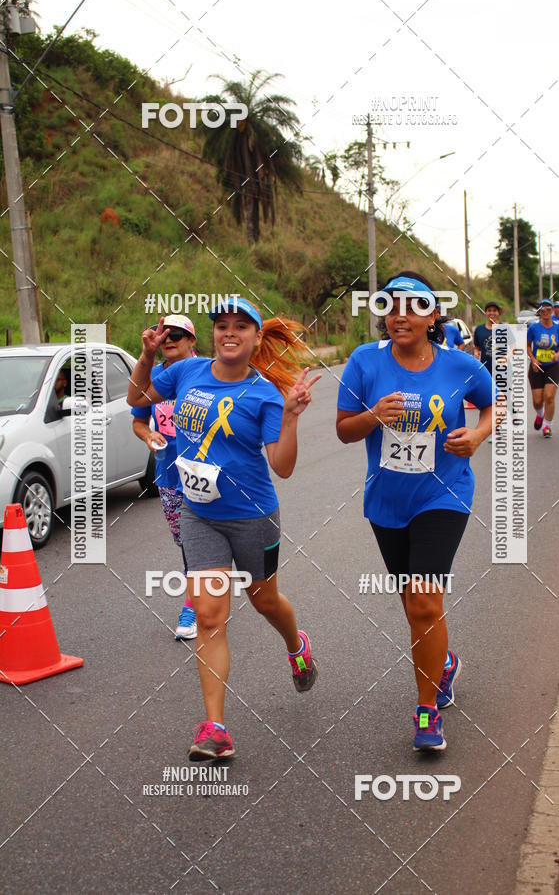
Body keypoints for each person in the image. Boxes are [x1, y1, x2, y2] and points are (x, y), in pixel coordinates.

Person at [127, 297, 320, 761]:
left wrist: (290, 417)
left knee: (264, 601)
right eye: (221, 325)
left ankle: (296, 645)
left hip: (252, 516)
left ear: (256, 338)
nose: (229, 332)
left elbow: (283, 466)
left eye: (240, 326)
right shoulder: (186, 372)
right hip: (199, 515)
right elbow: (137, 400)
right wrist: (148, 355)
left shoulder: (264, 395)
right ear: (212, 334)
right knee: (210, 616)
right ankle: (215, 728)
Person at [336, 271, 494, 752]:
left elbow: (493, 406)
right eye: (391, 306)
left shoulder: (459, 365)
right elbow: (344, 430)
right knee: (411, 603)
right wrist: (372, 416)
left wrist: (477, 435)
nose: (400, 315)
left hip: (443, 494)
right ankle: (443, 661)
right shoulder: (364, 361)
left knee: (425, 600)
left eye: (412, 306)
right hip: (387, 501)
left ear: (432, 315)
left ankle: (427, 710)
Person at [131, 314, 198, 640]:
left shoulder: (207, 372)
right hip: (168, 475)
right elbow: (138, 421)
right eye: (165, 335)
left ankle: (192, 607)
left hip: (203, 474)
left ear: (192, 340)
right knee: (184, 540)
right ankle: (210, 581)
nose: (169, 340)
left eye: (177, 335)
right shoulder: (154, 376)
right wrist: (147, 435)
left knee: (196, 542)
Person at [527, 299, 559, 439]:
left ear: (552, 311)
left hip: (553, 366)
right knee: (537, 401)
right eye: (542, 310)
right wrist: (533, 359)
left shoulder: (558, 328)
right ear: (539, 312)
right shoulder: (533, 328)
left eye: (548, 309)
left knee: (549, 397)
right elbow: (527, 345)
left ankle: (547, 425)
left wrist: (558, 354)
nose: (545, 312)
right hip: (537, 367)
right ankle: (540, 414)